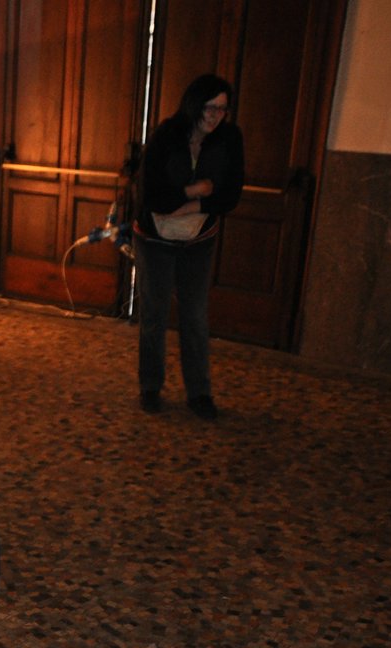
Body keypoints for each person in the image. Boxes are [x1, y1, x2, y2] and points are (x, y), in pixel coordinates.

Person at [134, 73, 244, 419]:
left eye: (222, 110)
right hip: (154, 237)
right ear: (195, 105)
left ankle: (199, 393)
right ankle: (150, 387)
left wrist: (188, 206)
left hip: (198, 238)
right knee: (154, 312)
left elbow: (229, 195)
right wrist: (195, 192)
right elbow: (152, 195)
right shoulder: (167, 135)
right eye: (210, 108)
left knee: (194, 316)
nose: (215, 116)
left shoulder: (229, 139)